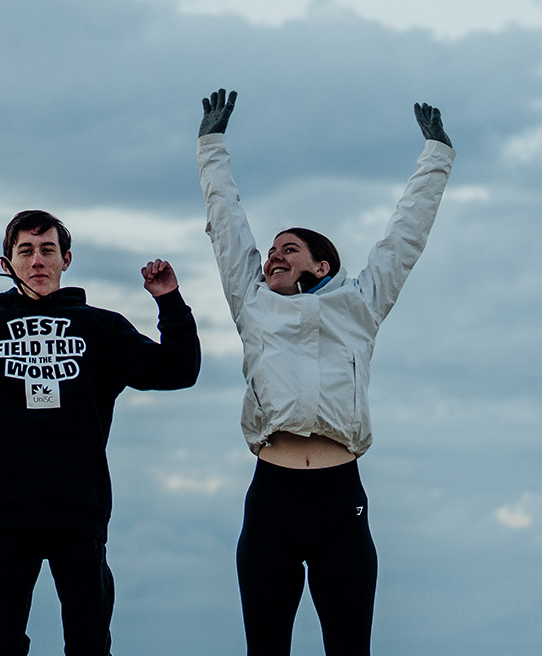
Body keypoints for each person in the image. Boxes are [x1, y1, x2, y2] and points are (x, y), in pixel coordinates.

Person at [191, 89, 454, 656]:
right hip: (272, 498)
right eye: (272, 252)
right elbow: (229, 226)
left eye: (289, 249)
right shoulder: (253, 304)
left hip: (340, 498)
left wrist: (436, 158)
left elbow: (403, 239)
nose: (273, 257)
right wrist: (211, 145)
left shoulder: (361, 304)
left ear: (322, 265)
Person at [0, 210, 202, 656]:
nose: (38, 260)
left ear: (66, 259)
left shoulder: (100, 328)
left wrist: (170, 302)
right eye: (25, 251)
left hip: (80, 511)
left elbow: (178, 370)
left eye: (48, 250)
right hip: (10, 513)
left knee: (88, 644)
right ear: (7, 263)